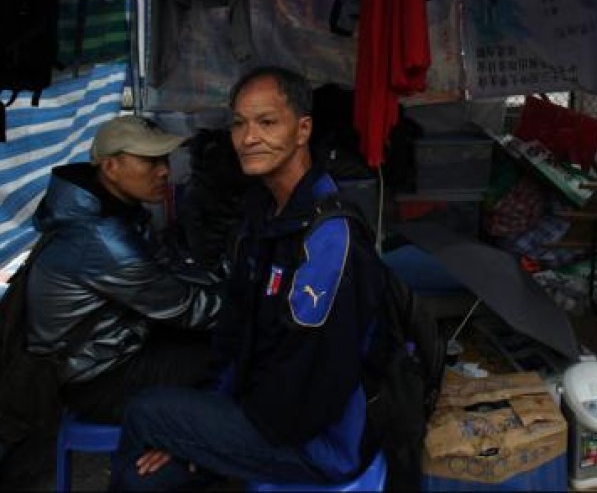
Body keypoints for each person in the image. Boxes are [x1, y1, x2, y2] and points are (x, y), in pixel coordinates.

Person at [111, 66, 387, 490]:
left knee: (147, 413)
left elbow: (311, 383)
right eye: (239, 124)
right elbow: (237, 332)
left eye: (267, 122)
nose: (248, 137)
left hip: (316, 442)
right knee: (145, 474)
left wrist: (207, 438)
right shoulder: (262, 216)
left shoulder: (331, 237)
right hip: (262, 411)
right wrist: (205, 425)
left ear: (302, 129)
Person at [25, 115, 224, 422]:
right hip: (97, 379)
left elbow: (166, 269)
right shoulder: (101, 239)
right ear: (110, 167)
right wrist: (255, 306)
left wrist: (221, 281)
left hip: (117, 346)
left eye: (165, 160)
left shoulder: (116, 212)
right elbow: (185, 308)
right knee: (233, 347)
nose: (165, 172)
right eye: (150, 162)